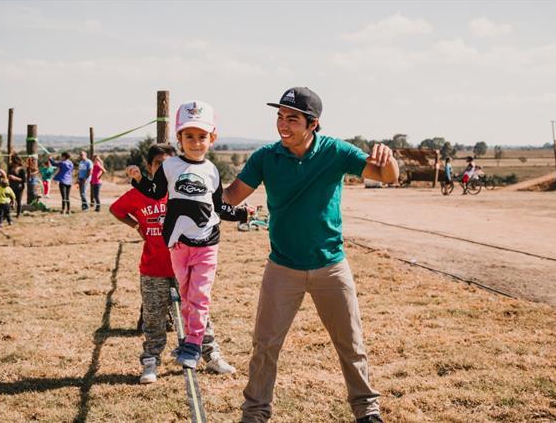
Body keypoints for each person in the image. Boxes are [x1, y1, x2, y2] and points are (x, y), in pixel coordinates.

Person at [220, 87, 399, 423]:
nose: (282, 125)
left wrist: (389, 163)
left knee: (351, 344)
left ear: (313, 124)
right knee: (265, 346)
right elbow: (231, 196)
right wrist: (198, 182)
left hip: (331, 266)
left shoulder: (337, 152)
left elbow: (387, 177)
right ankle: (255, 413)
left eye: (292, 118)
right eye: (279, 117)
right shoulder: (265, 157)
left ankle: (367, 411)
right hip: (282, 267)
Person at [127, 100, 249, 369]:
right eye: (189, 136)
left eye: (202, 136)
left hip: (207, 243)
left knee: (200, 295)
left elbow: (218, 207)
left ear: (212, 138)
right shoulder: (169, 167)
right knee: (185, 294)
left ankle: (194, 344)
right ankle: (187, 344)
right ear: (179, 138)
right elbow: (156, 193)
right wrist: (138, 180)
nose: (196, 142)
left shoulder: (212, 171)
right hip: (178, 245)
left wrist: (241, 213)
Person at [112, 144, 237, 383]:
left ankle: (211, 355)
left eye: (169, 163)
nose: (165, 168)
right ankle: (150, 362)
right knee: (153, 319)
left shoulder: (185, 192)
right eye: (158, 164)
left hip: (184, 267)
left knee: (199, 313)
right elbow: (116, 209)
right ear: (150, 167)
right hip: (154, 268)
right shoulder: (143, 193)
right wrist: (137, 226)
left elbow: (213, 212)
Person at [7, 154, 26, 218]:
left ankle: (18, 214)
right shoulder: (10, 167)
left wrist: (15, 178)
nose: (13, 164)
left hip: (19, 187)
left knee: (18, 201)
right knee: (10, 200)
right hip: (11, 186)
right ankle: (8, 213)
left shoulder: (22, 170)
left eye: (15, 163)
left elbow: (24, 180)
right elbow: (7, 175)